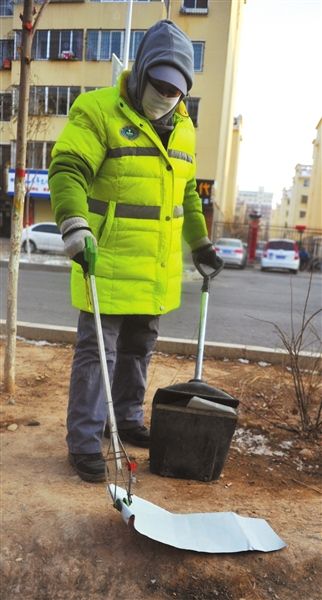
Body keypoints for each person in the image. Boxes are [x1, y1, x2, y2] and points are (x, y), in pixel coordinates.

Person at [49, 19, 222, 483]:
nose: (167, 95)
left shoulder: (184, 128)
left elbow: (186, 195)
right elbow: (67, 168)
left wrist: (200, 242)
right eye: (160, 84)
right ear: (143, 72)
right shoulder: (98, 110)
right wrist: (73, 223)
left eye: (177, 90)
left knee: (139, 351)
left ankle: (124, 419)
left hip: (155, 270)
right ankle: (85, 441)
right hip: (103, 261)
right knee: (97, 357)